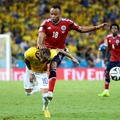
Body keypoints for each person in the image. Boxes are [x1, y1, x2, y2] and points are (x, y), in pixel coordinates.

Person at [37, 4, 108, 98]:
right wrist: (40, 45)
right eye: (51, 14)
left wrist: (97, 27)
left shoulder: (67, 23)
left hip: (60, 51)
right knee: (41, 69)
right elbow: (40, 36)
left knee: (53, 66)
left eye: (55, 14)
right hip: (47, 51)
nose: (53, 16)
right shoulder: (45, 23)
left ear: (60, 14)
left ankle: (50, 92)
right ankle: (35, 83)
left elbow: (81, 29)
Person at [24, 46, 79, 117]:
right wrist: (31, 73)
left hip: (42, 73)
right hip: (31, 70)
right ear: (39, 54)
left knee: (45, 95)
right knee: (28, 93)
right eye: (43, 60)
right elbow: (26, 60)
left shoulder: (51, 53)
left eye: (46, 60)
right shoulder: (30, 52)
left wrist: (72, 57)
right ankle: (42, 88)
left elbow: (59, 50)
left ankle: (45, 108)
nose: (44, 62)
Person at [98, 23, 120, 97]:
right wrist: (106, 57)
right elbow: (109, 48)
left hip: (119, 60)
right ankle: (106, 91)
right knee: (107, 73)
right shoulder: (108, 37)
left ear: (118, 30)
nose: (114, 29)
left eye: (116, 28)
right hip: (112, 59)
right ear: (111, 30)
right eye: (113, 28)